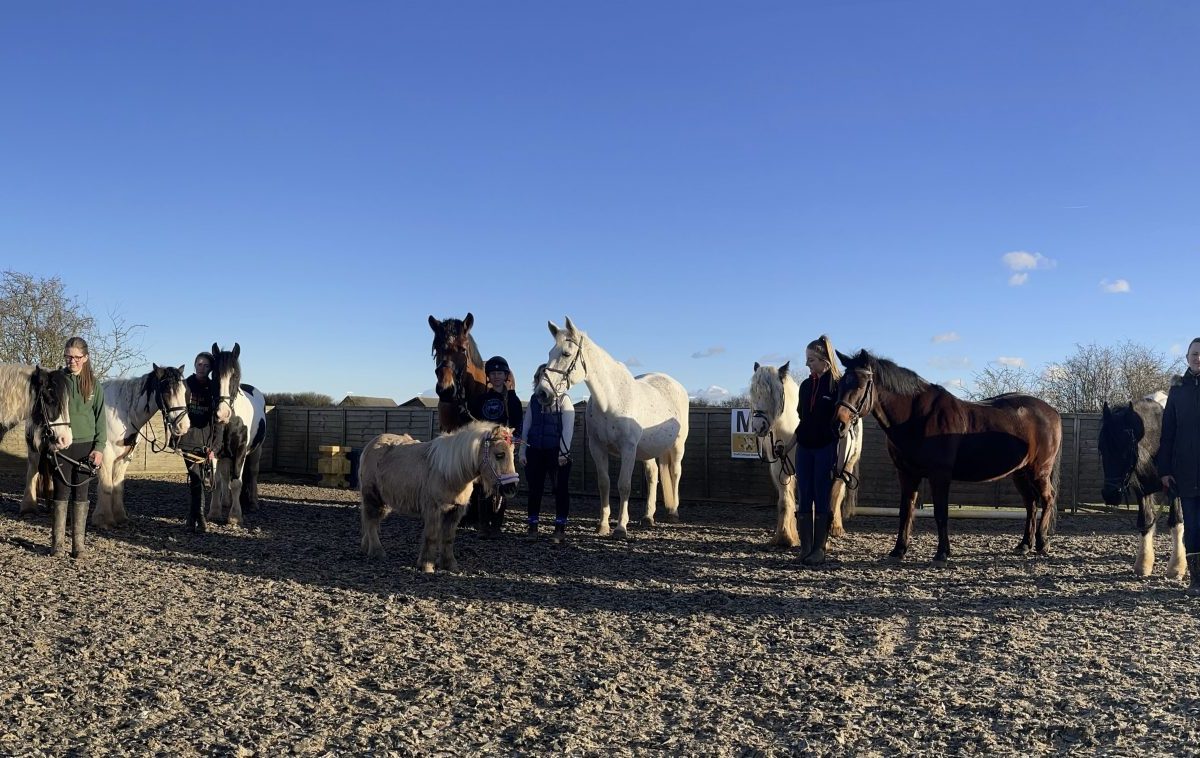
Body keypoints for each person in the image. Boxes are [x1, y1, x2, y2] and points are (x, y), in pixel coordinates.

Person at [51, 337, 107, 558]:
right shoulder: (57, 381)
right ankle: (57, 544)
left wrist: (100, 448)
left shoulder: (94, 385)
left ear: (85, 358)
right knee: (61, 492)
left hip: (87, 447)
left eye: (76, 357)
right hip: (62, 446)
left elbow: (100, 418)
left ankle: (78, 545)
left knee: (81, 494)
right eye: (68, 356)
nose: (71, 360)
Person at [794, 335, 842, 566]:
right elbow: (803, 420)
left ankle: (819, 549)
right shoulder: (804, 386)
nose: (808, 365)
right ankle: (805, 547)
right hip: (804, 448)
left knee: (821, 495)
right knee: (804, 495)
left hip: (825, 448)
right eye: (807, 360)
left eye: (811, 360)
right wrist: (789, 445)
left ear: (825, 360)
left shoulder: (837, 385)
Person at [1159, 337, 1200, 595]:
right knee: (1193, 526)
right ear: (1187, 357)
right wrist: (1164, 469)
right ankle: (1197, 579)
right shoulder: (1178, 392)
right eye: (1194, 353)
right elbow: (1167, 435)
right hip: (1186, 474)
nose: (1198, 357)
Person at [467, 356, 524, 536]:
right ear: (488, 377)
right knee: (483, 485)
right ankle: (483, 524)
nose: (497, 376)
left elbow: (517, 423)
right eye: (493, 373)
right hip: (485, 449)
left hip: (504, 449)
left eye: (500, 373)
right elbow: (472, 420)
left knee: (504, 484)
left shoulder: (513, 400)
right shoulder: (481, 399)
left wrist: (514, 442)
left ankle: (497, 524)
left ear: (505, 376)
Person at [521, 364, 575, 544]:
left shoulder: (564, 401)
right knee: (534, 490)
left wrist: (564, 453)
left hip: (556, 453)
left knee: (560, 490)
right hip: (535, 450)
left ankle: (560, 529)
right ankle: (532, 526)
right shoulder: (534, 401)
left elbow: (568, 429)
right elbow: (526, 427)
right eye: (539, 378)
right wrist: (523, 451)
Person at [176, 352, 217, 520]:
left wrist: (215, 445)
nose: (202, 368)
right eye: (199, 364)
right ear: (195, 365)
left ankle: (196, 516)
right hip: (189, 439)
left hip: (207, 440)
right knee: (196, 478)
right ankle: (198, 516)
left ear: (210, 369)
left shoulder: (214, 387)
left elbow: (217, 418)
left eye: (206, 365)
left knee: (203, 478)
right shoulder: (184, 385)